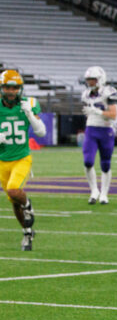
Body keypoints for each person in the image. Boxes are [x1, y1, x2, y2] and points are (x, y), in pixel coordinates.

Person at [0, 69, 44, 251]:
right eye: (7, 87)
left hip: (21, 157)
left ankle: (28, 205)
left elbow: (41, 132)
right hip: (2, 160)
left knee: (14, 190)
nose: (11, 91)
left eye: (15, 88)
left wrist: (30, 115)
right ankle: (27, 232)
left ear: (20, 88)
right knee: (13, 201)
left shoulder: (30, 103)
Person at [80, 66, 117, 204]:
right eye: (88, 80)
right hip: (91, 129)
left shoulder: (109, 92)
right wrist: (91, 113)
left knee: (105, 164)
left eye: (92, 80)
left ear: (100, 79)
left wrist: (98, 112)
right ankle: (94, 190)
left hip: (105, 130)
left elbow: (114, 115)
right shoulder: (85, 94)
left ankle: (104, 194)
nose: (90, 82)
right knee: (88, 162)